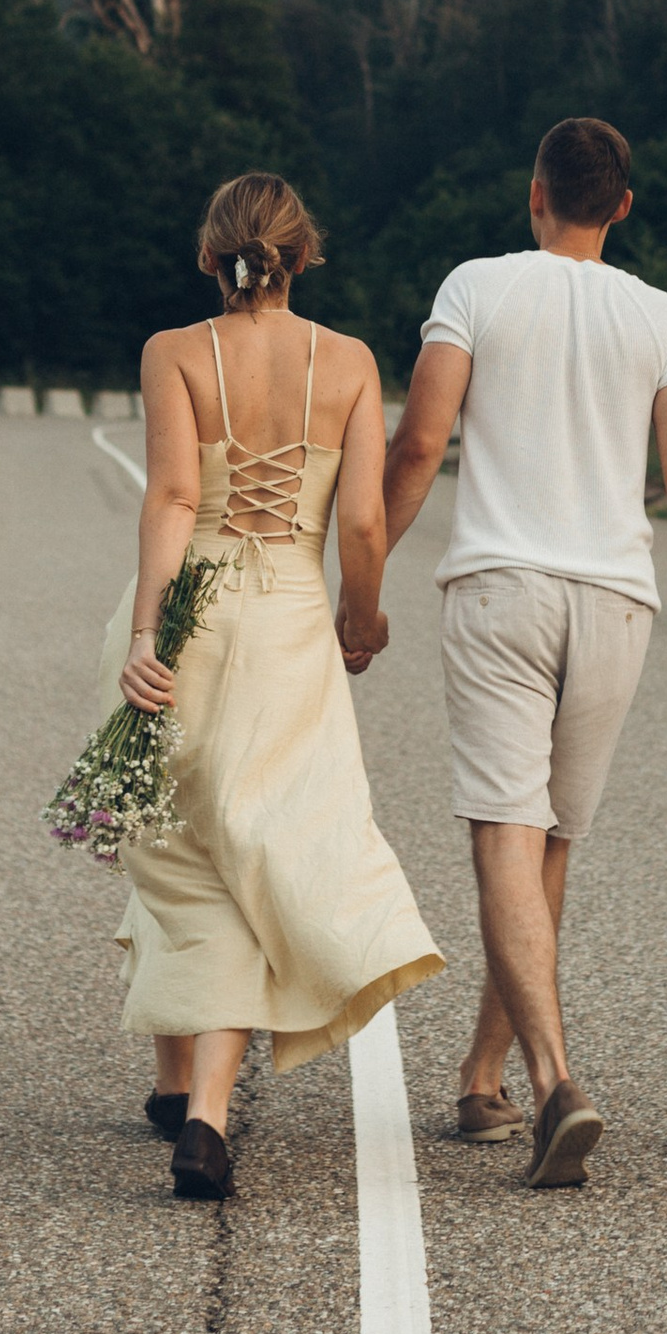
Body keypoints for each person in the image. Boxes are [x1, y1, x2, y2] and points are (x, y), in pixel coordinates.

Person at [377, 115, 667, 1191]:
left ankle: (557, 1075)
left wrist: (359, 586)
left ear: (534, 195)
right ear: (622, 204)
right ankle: (482, 1074)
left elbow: (421, 441)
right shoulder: (659, 318)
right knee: (551, 842)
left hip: (502, 592)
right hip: (614, 607)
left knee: (506, 837)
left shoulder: (474, 287)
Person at [101, 171, 443, 1203]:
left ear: (212, 257)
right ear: (305, 255)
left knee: (178, 838)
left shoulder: (174, 353)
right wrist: (363, 613)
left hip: (192, 608)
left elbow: (169, 496)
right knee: (258, 834)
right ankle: (198, 1107)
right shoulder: (346, 362)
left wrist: (147, 634)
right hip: (290, 616)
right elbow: (366, 523)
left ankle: (191, 1098)